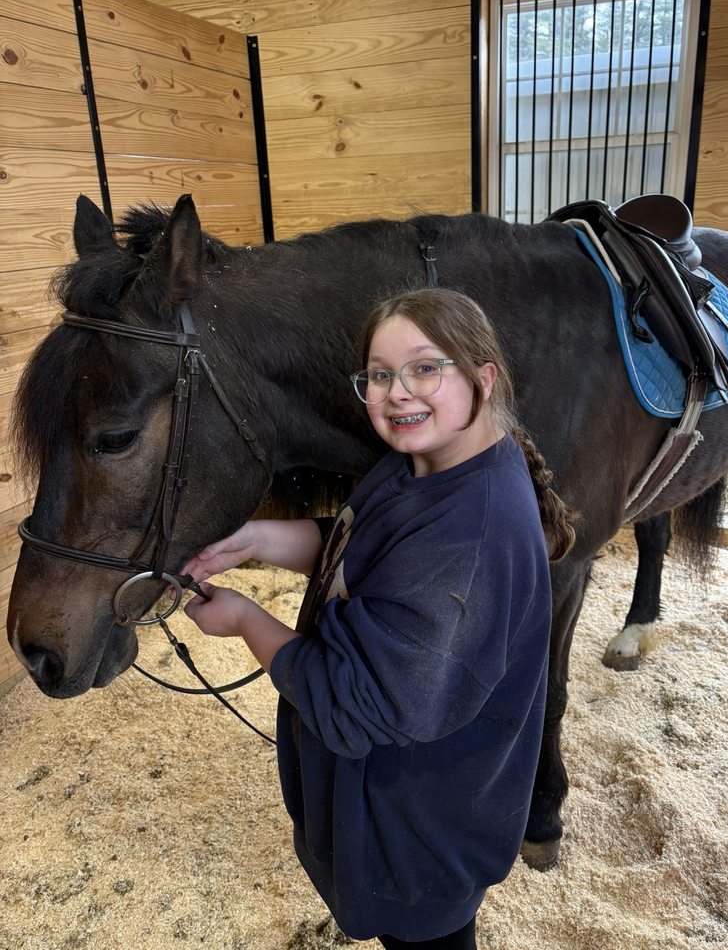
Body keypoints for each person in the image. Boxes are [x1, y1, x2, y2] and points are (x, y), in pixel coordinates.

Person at [182, 288, 575, 948]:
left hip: (417, 834)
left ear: (484, 378)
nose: (398, 392)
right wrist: (255, 540)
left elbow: (356, 700)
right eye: (382, 374)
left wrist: (247, 622)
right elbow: (358, 546)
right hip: (398, 811)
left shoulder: (469, 539)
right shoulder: (424, 465)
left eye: (426, 367)